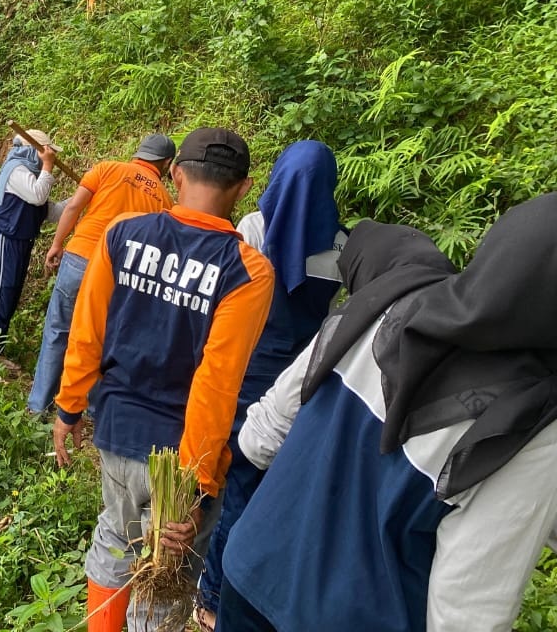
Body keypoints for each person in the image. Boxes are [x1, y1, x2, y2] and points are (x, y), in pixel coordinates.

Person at [218, 195, 557, 632]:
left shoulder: (388, 303)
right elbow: (464, 615)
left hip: (251, 572)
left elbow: (258, 440)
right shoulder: (532, 430)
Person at [51, 127, 275, 632]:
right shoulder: (247, 271)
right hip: (181, 453)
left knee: (115, 535)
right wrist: (195, 485)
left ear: (175, 175)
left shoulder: (123, 233)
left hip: (118, 429)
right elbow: (216, 384)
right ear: (242, 188)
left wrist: (68, 408)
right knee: (165, 570)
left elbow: (87, 332)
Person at [193, 141, 347, 629]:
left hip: (244, 369)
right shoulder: (341, 246)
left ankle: (212, 592)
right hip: (299, 383)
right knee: (263, 486)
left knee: (227, 480)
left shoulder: (253, 229)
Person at [26, 133, 176, 414]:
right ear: (166, 163)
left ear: (139, 153)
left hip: (79, 258)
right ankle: (90, 412)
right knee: (100, 342)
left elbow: (73, 206)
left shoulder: (107, 168)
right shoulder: (164, 200)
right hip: (117, 276)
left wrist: (57, 244)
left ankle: (38, 406)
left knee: (58, 331)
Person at [0, 129, 66, 358]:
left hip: (20, 242)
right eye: (45, 153)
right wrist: (47, 166)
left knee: (10, 296)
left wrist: (83, 196)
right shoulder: (17, 170)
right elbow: (38, 195)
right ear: (34, 151)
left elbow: (53, 212)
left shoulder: (30, 178)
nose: (49, 159)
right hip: (6, 240)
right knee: (0, 296)